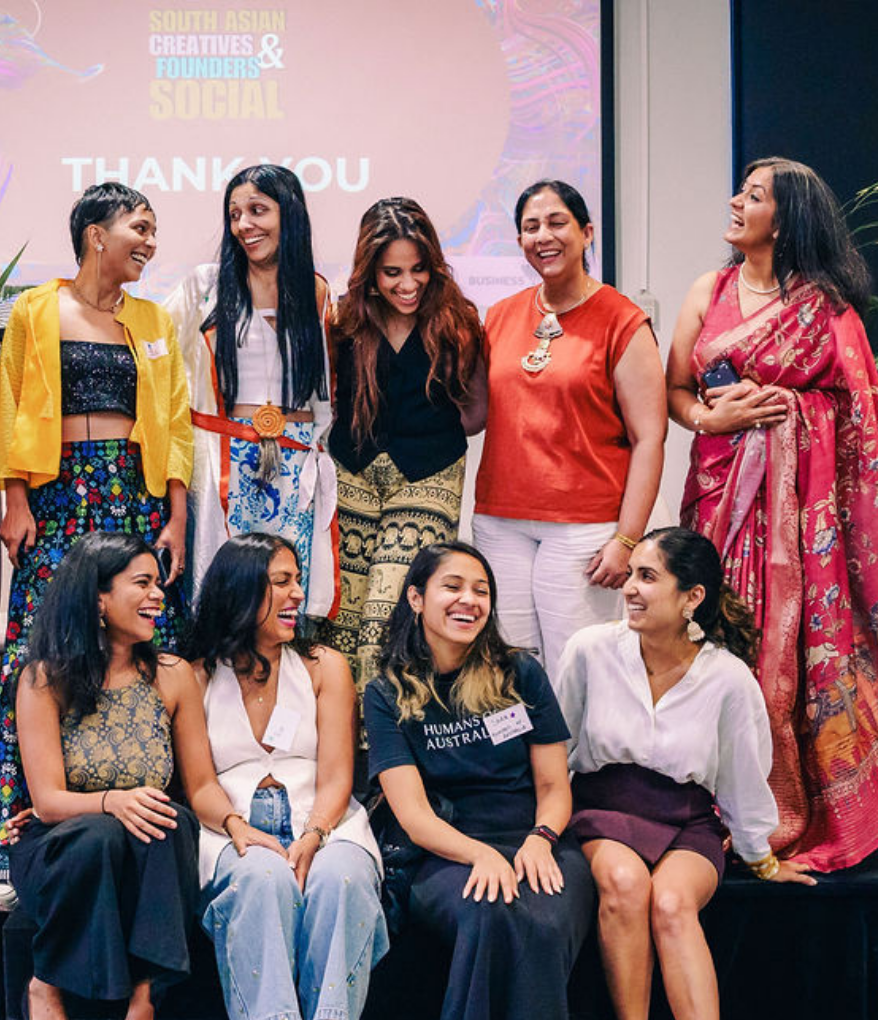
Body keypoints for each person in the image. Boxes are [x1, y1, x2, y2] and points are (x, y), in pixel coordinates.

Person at [0, 181, 193, 908]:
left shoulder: (154, 319)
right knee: (35, 657)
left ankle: (160, 820)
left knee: (138, 650)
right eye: (140, 226)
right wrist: (14, 497)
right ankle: (10, 844)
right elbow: (7, 405)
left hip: (131, 496)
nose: (150, 242)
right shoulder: (36, 309)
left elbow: (176, 423)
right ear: (96, 232)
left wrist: (177, 515)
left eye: (155, 229)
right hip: (57, 495)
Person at [666, 156, 878, 872]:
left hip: (800, 519)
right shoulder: (710, 289)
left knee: (785, 653)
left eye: (752, 196)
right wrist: (708, 417)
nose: (734, 202)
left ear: (783, 219)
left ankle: (787, 807)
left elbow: (859, 411)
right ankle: (704, 807)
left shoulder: (828, 308)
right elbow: (677, 392)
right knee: (713, 632)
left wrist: (788, 409)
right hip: (719, 497)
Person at [555, 527, 816, 1020]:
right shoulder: (590, 650)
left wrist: (761, 859)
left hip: (688, 819)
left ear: (692, 596)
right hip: (603, 805)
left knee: (673, 904)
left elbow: (744, 778)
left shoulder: (728, 678)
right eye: (631, 576)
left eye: (648, 577)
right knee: (626, 885)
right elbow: (559, 747)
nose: (630, 589)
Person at [364, 540, 595, 1020]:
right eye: (453, 587)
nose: (469, 600)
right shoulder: (385, 692)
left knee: (539, 926)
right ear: (417, 598)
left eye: (481, 590)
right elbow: (414, 815)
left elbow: (554, 786)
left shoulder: (521, 673)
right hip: (443, 849)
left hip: (537, 839)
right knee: (489, 913)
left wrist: (540, 837)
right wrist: (479, 855)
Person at [183, 533, 387, 1020]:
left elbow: (339, 773)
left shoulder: (324, 666)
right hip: (231, 826)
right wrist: (236, 827)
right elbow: (199, 783)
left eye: (297, 580)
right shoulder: (196, 674)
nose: (298, 593)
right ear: (241, 590)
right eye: (282, 582)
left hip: (324, 818)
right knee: (261, 881)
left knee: (341, 879)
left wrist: (316, 833)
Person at [9, 532, 200, 1020]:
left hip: (145, 848)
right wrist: (112, 801)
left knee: (171, 820)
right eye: (141, 583)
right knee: (102, 831)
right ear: (97, 597)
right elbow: (46, 802)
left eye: (158, 583)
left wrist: (238, 825)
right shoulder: (44, 678)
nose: (158, 594)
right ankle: (45, 985)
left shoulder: (172, 674)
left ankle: (140, 1019)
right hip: (63, 847)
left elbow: (199, 784)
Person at [473, 179, 666, 681]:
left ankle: (579, 765)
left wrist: (626, 540)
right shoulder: (500, 315)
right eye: (530, 227)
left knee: (575, 668)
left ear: (586, 232)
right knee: (510, 667)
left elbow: (650, 438)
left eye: (557, 223)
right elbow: (472, 415)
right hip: (501, 519)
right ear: (518, 242)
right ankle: (526, 763)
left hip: (585, 525)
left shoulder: (622, 321)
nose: (543, 236)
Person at [322, 197, 485, 695]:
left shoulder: (458, 323)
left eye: (418, 269)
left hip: (428, 475)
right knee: (342, 617)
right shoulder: (343, 323)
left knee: (389, 610)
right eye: (392, 272)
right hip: (352, 473)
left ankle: (384, 745)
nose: (407, 284)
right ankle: (340, 743)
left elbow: (476, 414)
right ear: (369, 272)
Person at [165, 164, 337, 617]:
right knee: (226, 596)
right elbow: (157, 361)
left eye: (258, 210)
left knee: (286, 593)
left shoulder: (317, 293)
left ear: (290, 214)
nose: (244, 225)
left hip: (294, 459)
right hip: (221, 456)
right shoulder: (204, 287)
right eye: (235, 214)